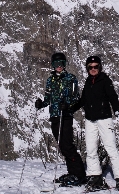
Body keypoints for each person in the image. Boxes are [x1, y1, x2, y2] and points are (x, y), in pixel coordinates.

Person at [69, 55, 119, 191]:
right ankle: (95, 176)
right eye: (90, 67)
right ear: (87, 68)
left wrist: (117, 110)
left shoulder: (105, 80)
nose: (93, 69)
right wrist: (71, 109)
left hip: (104, 119)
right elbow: (83, 100)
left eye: (96, 66)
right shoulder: (88, 82)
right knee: (90, 150)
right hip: (90, 120)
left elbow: (112, 96)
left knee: (110, 148)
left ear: (100, 67)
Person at [35, 52, 86, 186]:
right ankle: (72, 172)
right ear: (53, 65)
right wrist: (42, 104)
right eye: (56, 64)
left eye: (61, 64)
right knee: (62, 146)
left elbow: (76, 97)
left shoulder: (71, 78)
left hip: (66, 115)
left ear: (64, 64)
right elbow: (48, 98)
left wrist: (67, 104)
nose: (59, 66)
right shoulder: (50, 80)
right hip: (55, 116)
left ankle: (79, 174)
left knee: (67, 145)